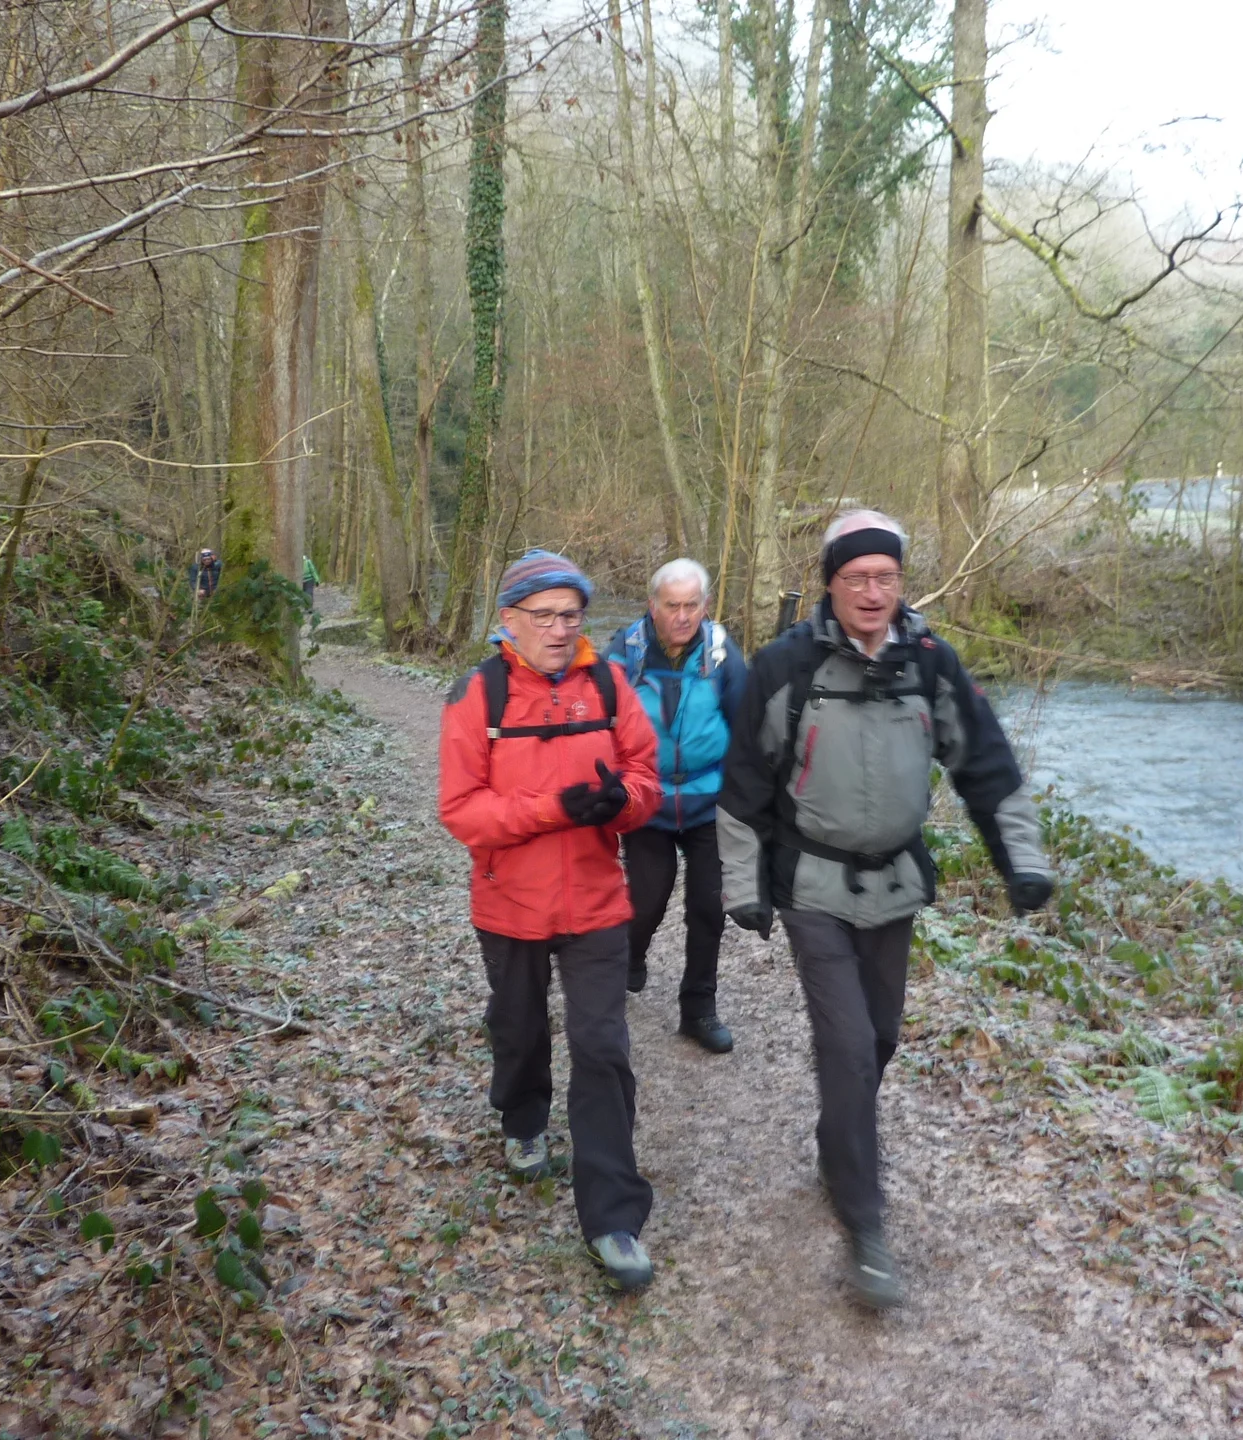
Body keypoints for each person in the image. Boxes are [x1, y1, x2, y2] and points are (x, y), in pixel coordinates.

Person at [717, 509, 1056, 1309]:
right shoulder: (784, 668)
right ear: (830, 584)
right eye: (856, 577)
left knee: (880, 1038)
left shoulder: (930, 665)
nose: (873, 592)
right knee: (847, 1047)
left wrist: (1024, 862)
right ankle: (866, 1225)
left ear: (902, 584)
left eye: (887, 577)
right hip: (813, 884)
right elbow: (743, 786)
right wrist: (743, 887)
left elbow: (988, 766)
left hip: (895, 885)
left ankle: (840, 1150)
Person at [438, 548, 664, 1292]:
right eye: (545, 616)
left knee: (602, 1049)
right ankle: (522, 1116)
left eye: (572, 615)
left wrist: (619, 804)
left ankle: (613, 1219)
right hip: (509, 903)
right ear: (509, 621)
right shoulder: (480, 695)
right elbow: (462, 810)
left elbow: (644, 777)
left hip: (597, 900)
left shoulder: (610, 682)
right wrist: (554, 809)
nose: (562, 629)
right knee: (520, 1026)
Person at [604, 559, 747, 1054]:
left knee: (710, 907)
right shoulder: (625, 655)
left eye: (692, 605)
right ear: (653, 605)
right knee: (647, 897)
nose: (683, 616)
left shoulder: (722, 654)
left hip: (710, 800)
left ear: (704, 606)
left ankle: (698, 1010)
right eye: (673, 606)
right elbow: (605, 729)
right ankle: (631, 954)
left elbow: (746, 726)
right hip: (649, 798)